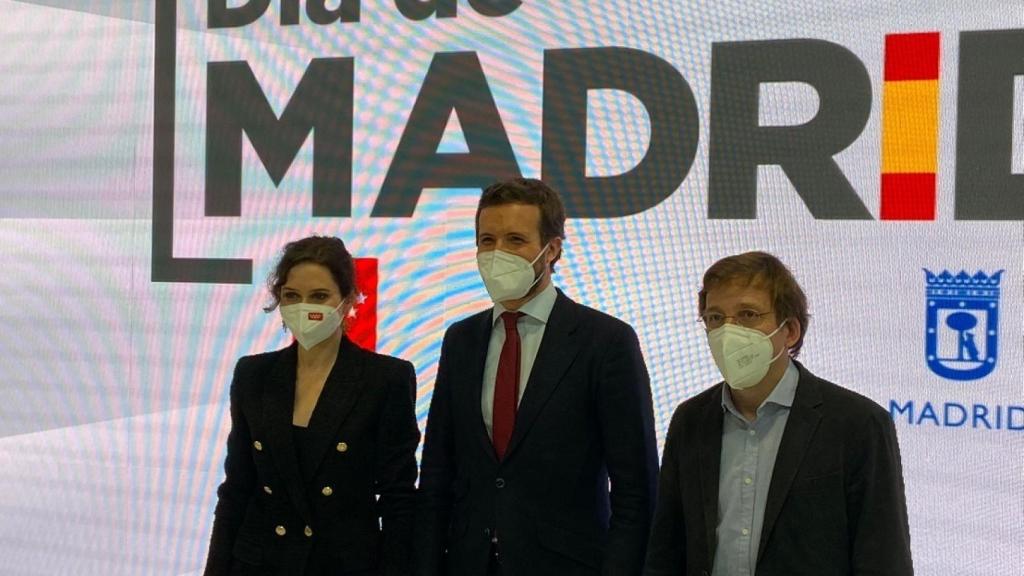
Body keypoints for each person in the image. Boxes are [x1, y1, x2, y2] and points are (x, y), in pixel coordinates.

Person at [415, 177, 659, 576]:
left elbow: (636, 488)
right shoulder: (461, 340)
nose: (497, 254)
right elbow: (439, 472)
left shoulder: (605, 341)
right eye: (486, 240)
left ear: (552, 250)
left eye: (515, 240)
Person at [644, 251, 913, 576]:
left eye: (748, 315)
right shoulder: (691, 420)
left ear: (790, 331)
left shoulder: (858, 423)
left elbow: (883, 558)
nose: (729, 333)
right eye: (715, 318)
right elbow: (666, 549)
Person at [204, 235, 420, 576]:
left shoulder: (386, 379)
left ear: (347, 300)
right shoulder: (253, 374)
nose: (305, 307)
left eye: (319, 296)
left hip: (341, 565)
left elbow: (399, 500)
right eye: (292, 296)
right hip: (258, 563)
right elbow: (236, 489)